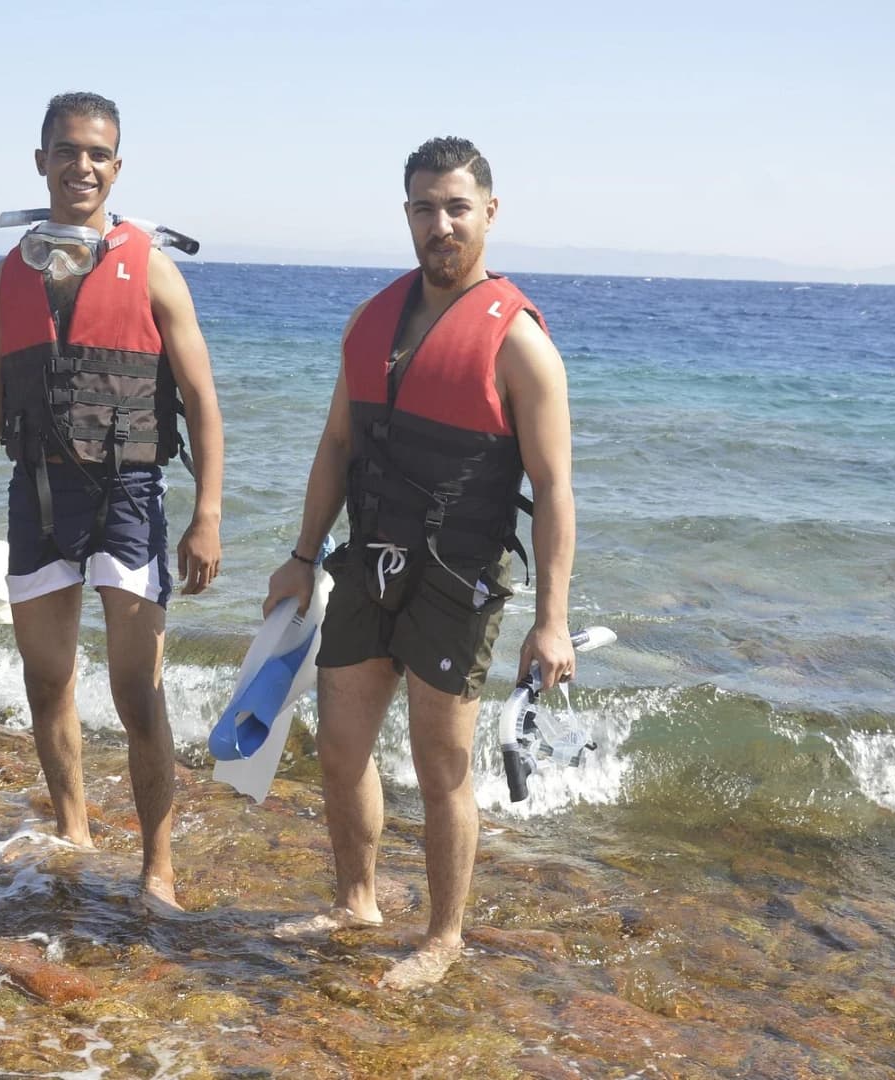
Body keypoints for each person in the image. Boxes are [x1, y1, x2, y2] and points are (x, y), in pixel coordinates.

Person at [265, 136, 575, 987]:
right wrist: (300, 556)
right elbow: (336, 443)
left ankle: (443, 937)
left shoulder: (518, 343)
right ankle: (356, 900)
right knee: (340, 748)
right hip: (367, 563)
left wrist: (550, 622)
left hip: (458, 580)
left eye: (456, 207)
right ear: (406, 214)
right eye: (423, 208)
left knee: (441, 769)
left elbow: (554, 490)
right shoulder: (372, 321)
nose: (440, 225)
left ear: (489, 213)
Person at [0, 92, 224, 909]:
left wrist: (208, 513)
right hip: (39, 490)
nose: (80, 166)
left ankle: (158, 864)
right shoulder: (5, 278)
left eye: (97, 154)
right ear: (41, 160)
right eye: (67, 150)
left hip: (128, 491)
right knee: (47, 676)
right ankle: (75, 827)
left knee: (136, 689)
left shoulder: (152, 266)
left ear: (116, 168)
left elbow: (200, 395)